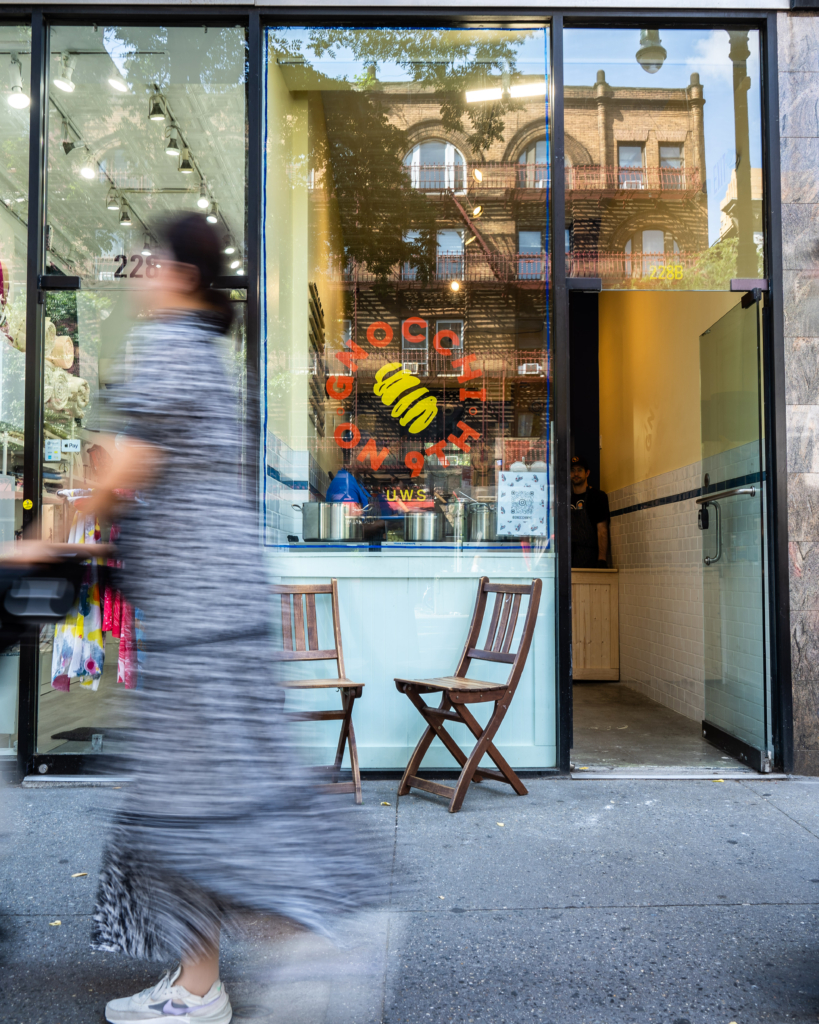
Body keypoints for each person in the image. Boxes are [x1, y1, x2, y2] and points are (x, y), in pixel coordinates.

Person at [50, 214, 383, 1024]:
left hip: (203, 627)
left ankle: (316, 938)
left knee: (210, 806)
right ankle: (203, 977)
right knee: (188, 803)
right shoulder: (198, 352)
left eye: (152, 259)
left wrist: (42, 539)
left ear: (183, 275)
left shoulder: (174, 348)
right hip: (206, 617)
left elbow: (119, 466)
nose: (139, 270)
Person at [570, 454, 610, 568]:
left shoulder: (597, 497)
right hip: (570, 559)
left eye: (579, 470)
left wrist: (602, 559)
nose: (576, 474)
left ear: (587, 473)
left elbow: (602, 530)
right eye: (572, 470)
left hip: (591, 559)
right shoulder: (566, 499)